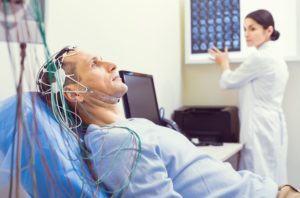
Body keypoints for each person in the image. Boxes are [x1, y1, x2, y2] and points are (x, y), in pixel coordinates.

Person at [36, 46, 299, 198]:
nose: (112, 63)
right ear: (75, 92)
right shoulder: (117, 142)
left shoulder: (135, 126)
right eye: (95, 64)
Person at [208, 9, 289, 185]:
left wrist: (224, 63)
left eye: (252, 29)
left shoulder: (260, 58)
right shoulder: (276, 57)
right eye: (245, 29)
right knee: (272, 176)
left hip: (259, 125)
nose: (246, 34)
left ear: (268, 31)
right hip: (271, 123)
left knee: (258, 178)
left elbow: (228, 81)